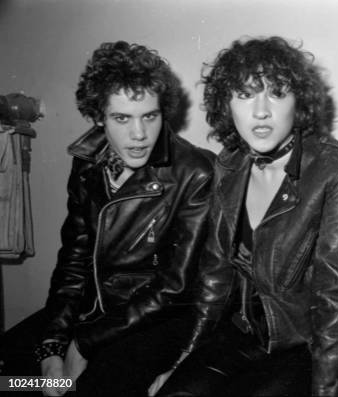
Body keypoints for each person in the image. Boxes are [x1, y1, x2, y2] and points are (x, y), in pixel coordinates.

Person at [148, 36, 338, 397]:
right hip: (241, 332)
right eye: (245, 94)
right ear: (227, 104)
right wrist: (183, 361)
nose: (261, 111)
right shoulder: (229, 163)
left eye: (277, 93)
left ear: (298, 101)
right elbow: (214, 279)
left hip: (305, 346)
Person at [0, 41, 215, 396]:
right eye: (121, 118)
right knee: (14, 380)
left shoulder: (195, 172)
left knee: (89, 388)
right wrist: (53, 344)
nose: (139, 135)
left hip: (155, 318)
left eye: (150, 116)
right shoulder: (86, 164)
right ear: (99, 117)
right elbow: (74, 261)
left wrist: (84, 343)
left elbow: (174, 287)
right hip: (92, 311)